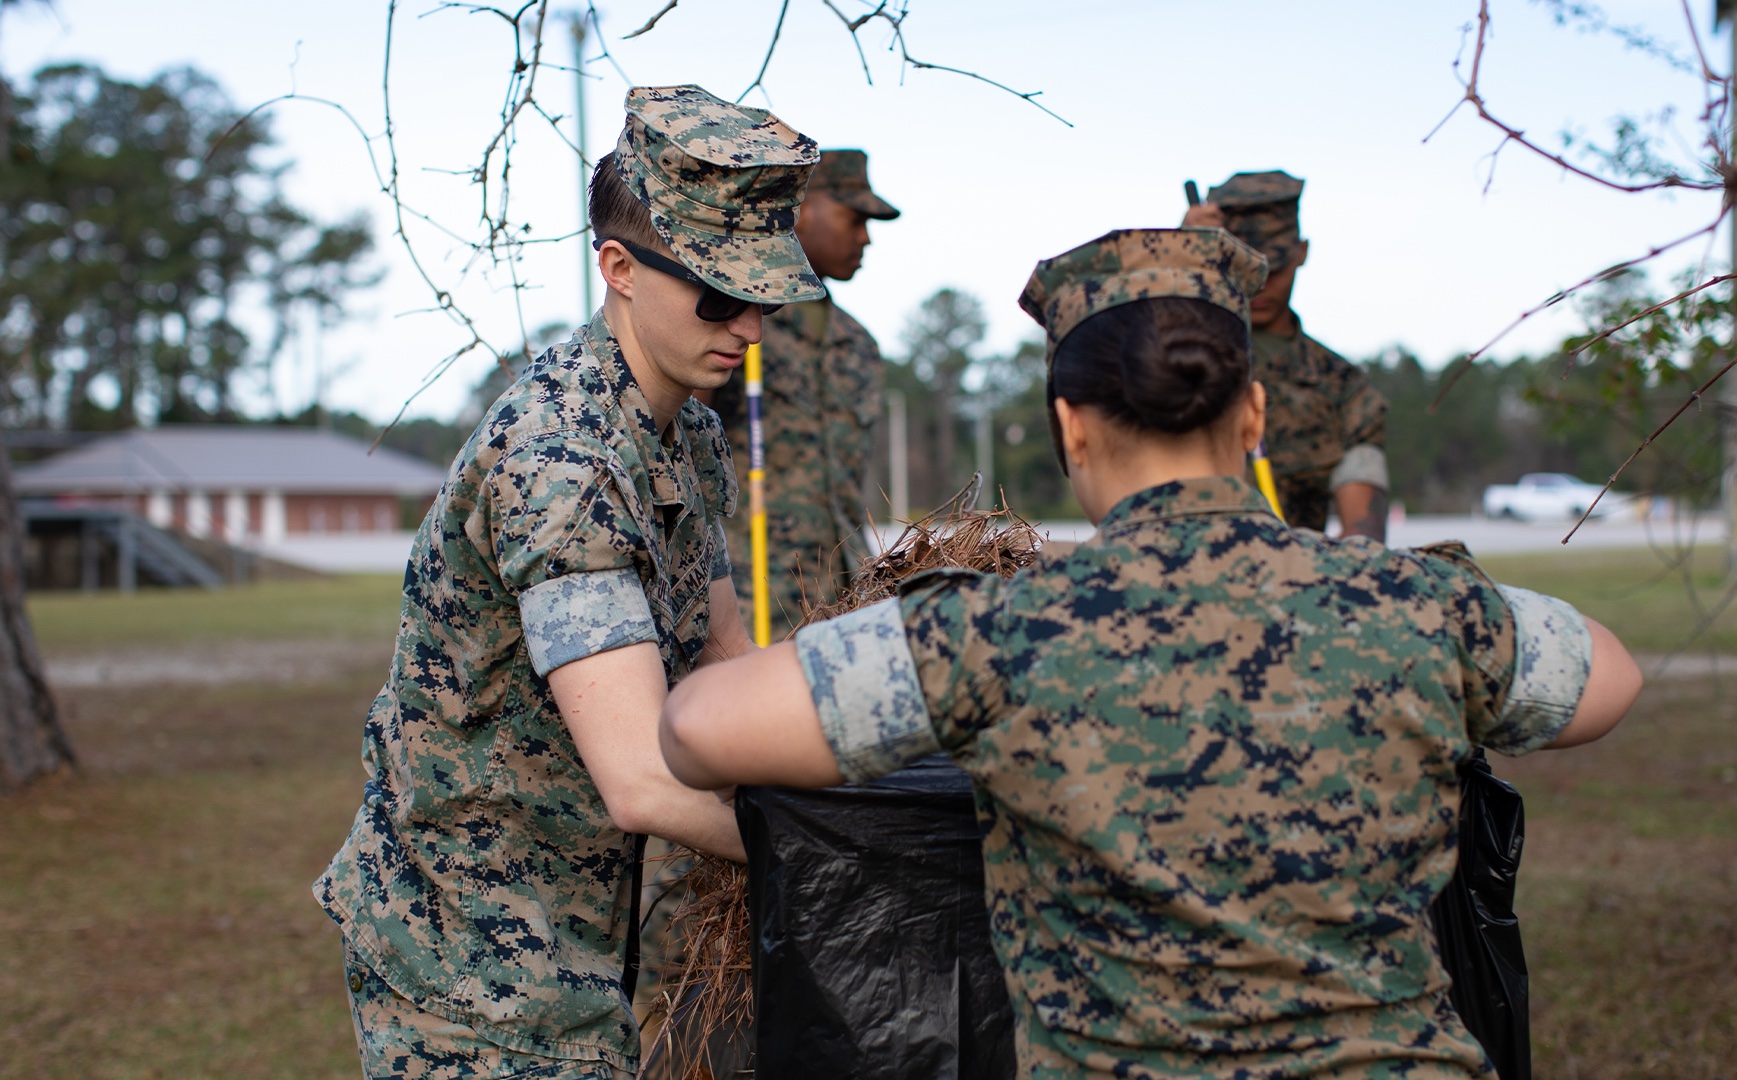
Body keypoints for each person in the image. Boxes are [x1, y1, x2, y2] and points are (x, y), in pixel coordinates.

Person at [657, 227, 1643, 1078]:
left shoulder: (998, 633)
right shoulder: (1414, 606)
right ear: (1253, 416)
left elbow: (700, 733)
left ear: (1070, 428)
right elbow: (1608, 679)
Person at [313, 85, 826, 1079]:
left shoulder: (688, 435)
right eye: (718, 297)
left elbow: (723, 661)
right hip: (467, 947)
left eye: (763, 296)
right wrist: (832, 852)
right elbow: (640, 780)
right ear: (619, 269)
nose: (750, 328)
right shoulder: (562, 465)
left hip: (573, 913)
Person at [704, 149, 898, 638]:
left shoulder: (857, 344)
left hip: (844, 603)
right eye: (854, 219)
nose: (866, 237)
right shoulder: (736, 325)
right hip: (752, 604)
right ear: (801, 210)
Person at [1184, 170, 1391, 541]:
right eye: (1244, 269)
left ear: (1302, 252)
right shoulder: (1175, 361)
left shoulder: (1341, 385)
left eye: (1274, 268)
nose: (1260, 284)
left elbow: (1365, 538)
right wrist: (1179, 268)